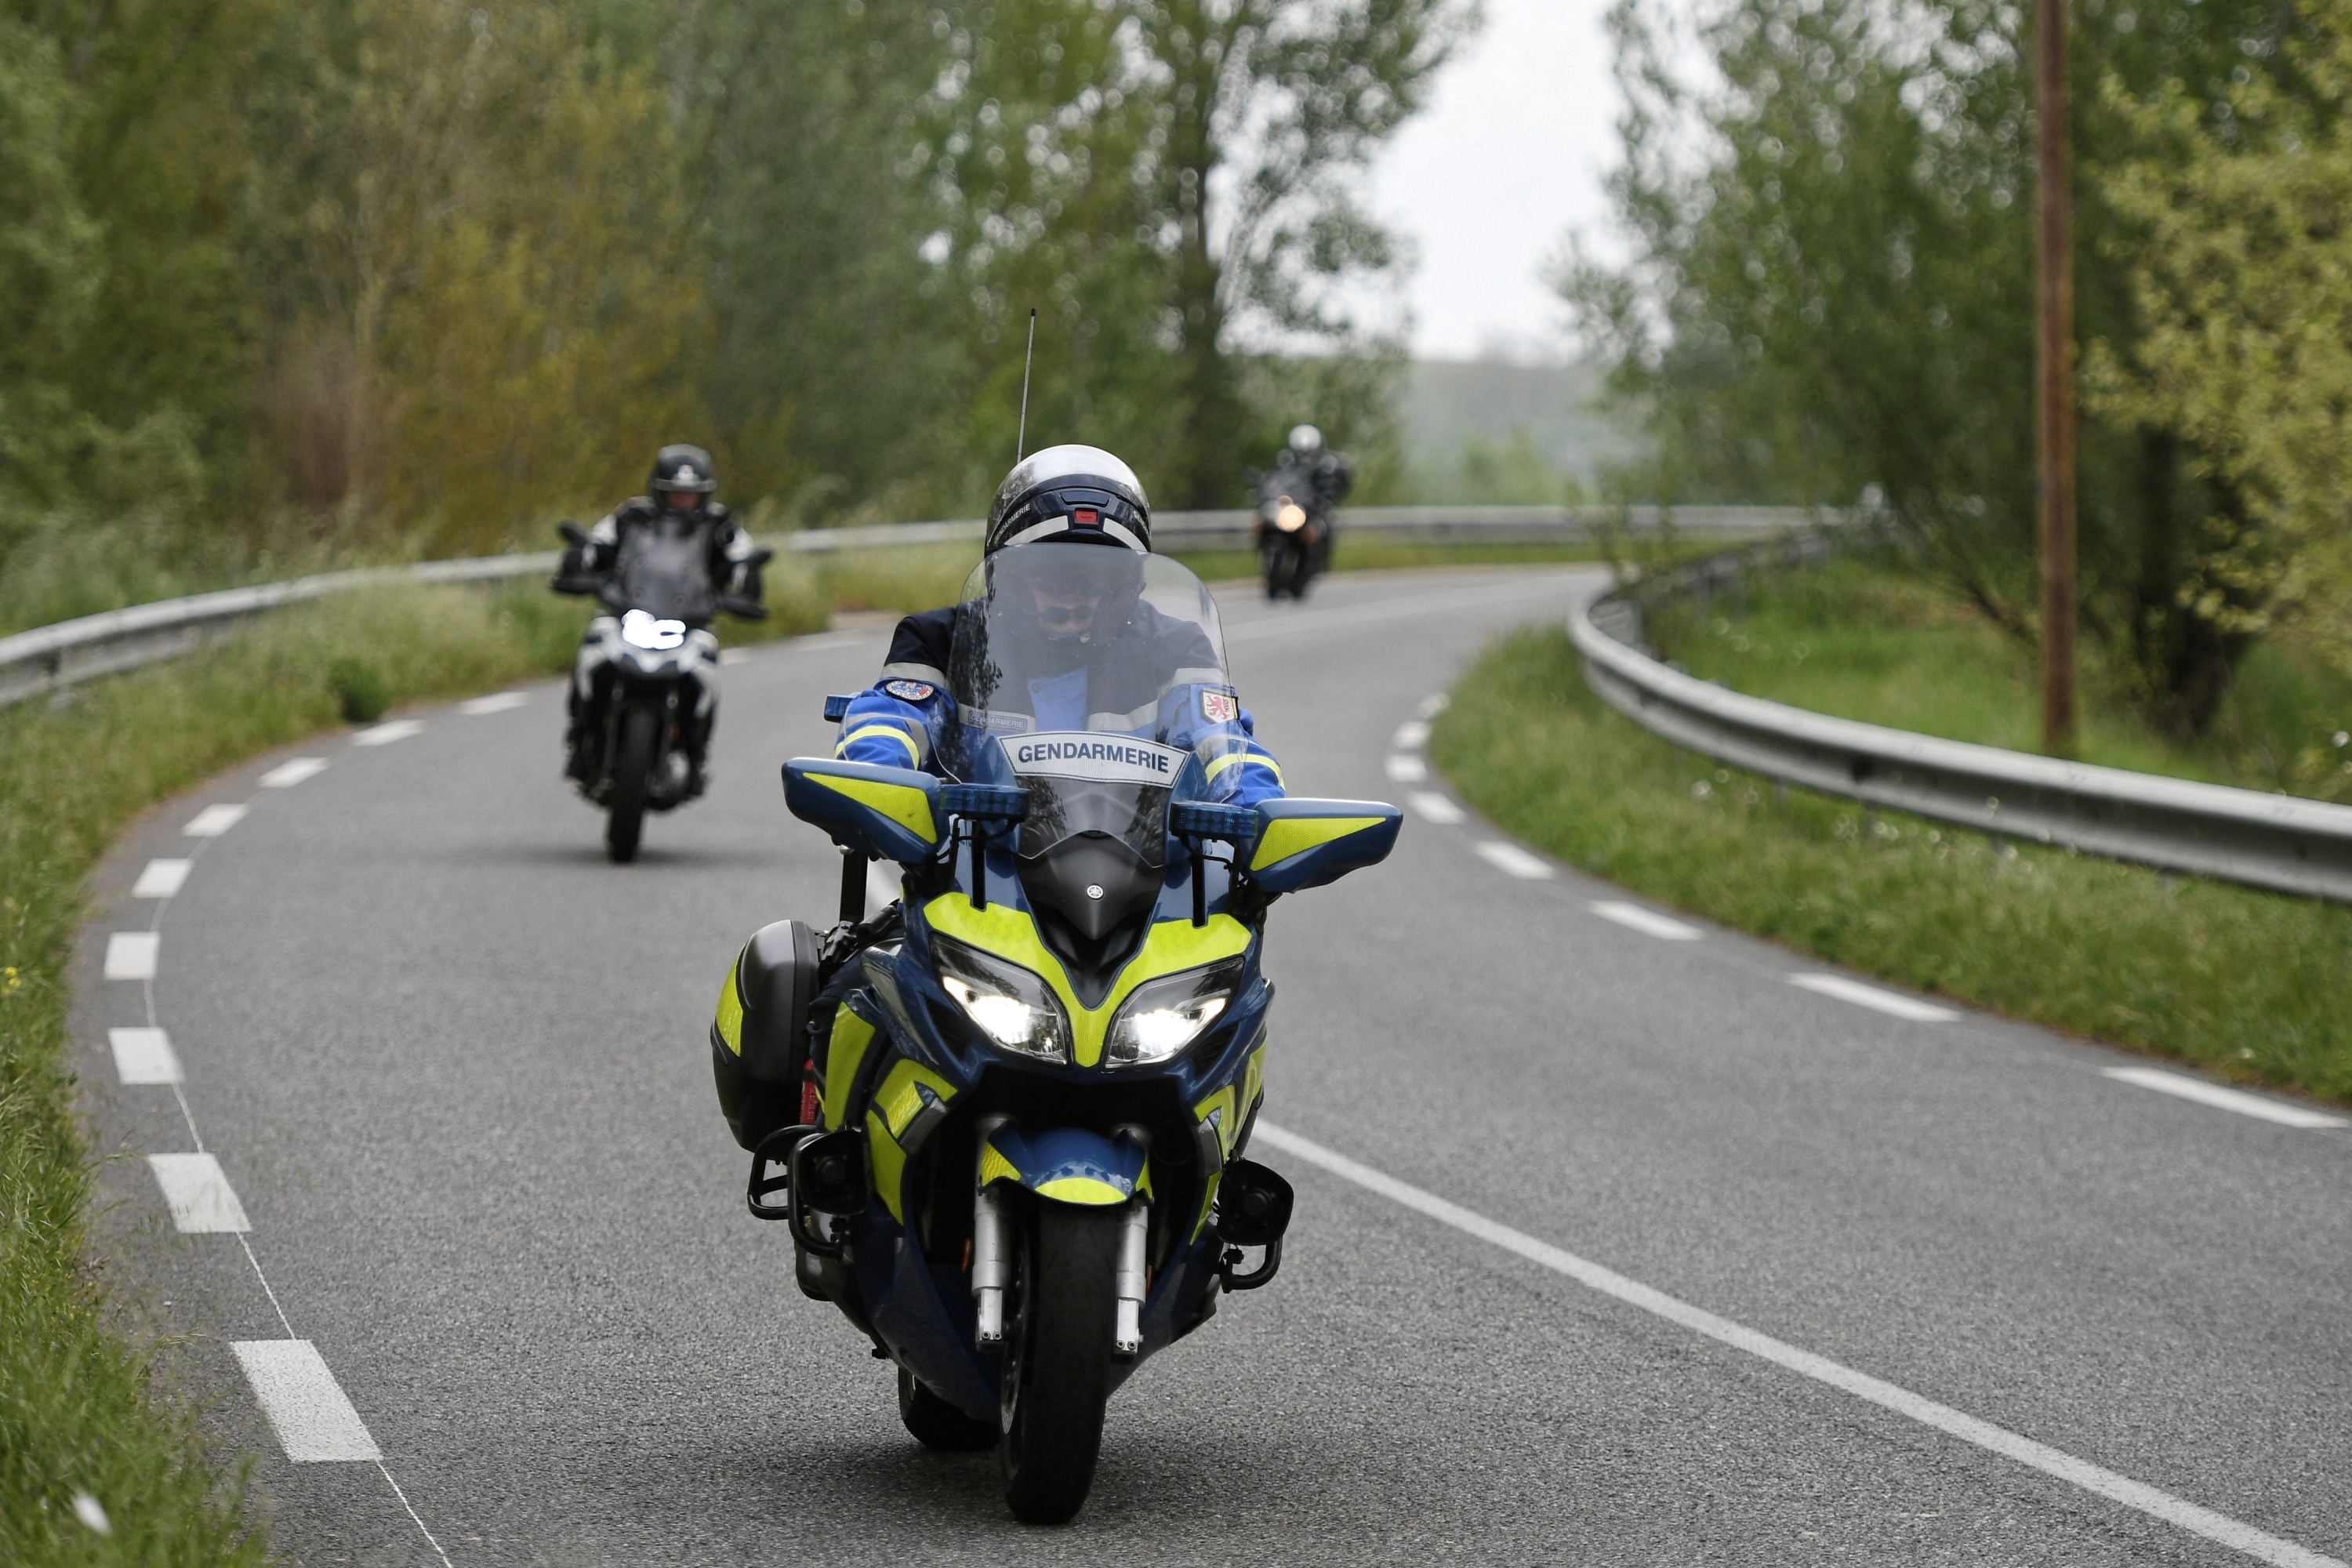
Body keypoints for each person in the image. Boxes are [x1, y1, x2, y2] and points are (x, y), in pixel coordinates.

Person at [832, 445, 1286, 808]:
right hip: (971, 883)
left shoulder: (1175, 648)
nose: (1073, 595)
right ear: (1007, 578)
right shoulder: (941, 642)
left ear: (1126, 584)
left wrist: (1262, 815)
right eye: (1051, 574)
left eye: (1095, 577)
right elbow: (887, 723)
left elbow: (1225, 747)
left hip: (1140, 887)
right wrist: (875, 786)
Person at [562, 444, 764, 793]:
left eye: (691, 495)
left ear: (704, 494)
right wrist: (579, 566)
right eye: (676, 495)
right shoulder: (631, 516)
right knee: (592, 650)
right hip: (628, 615)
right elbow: (596, 544)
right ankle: (582, 733)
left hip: (689, 623)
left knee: (707, 669)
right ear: (658, 490)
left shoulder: (721, 525)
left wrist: (746, 589)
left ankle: (695, 751)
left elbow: (743, 559)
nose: (683, 502)